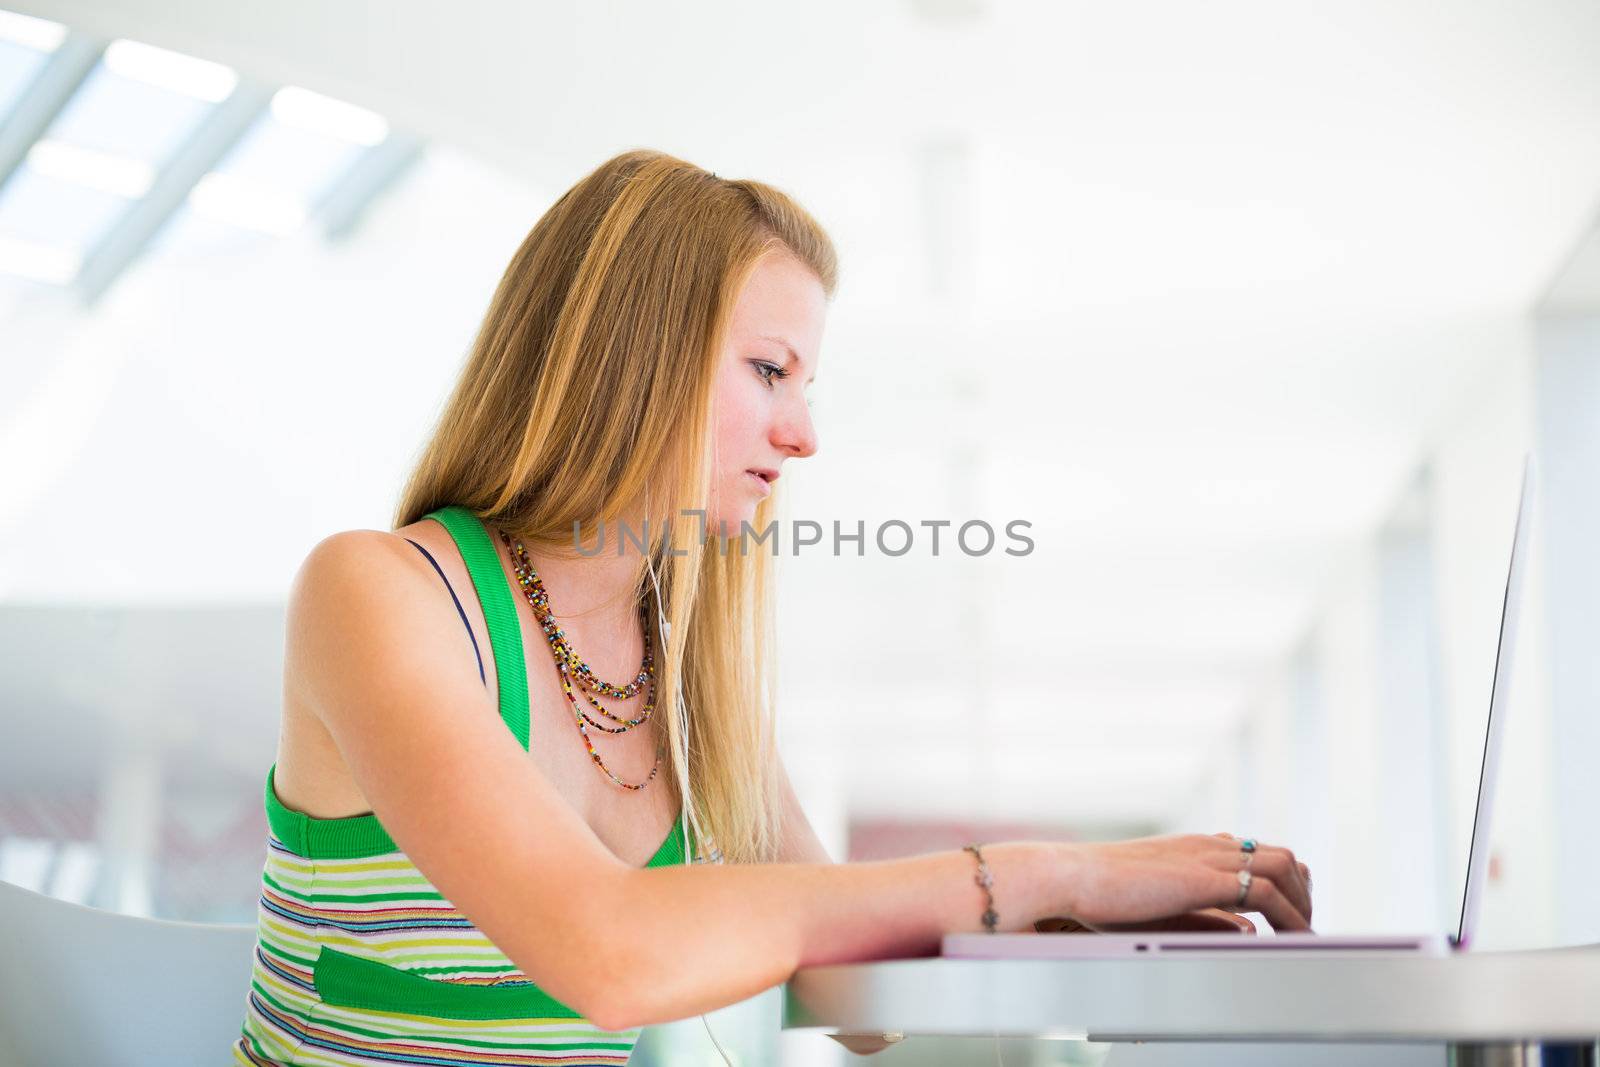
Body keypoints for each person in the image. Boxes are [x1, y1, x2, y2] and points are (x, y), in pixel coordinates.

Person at [233, 148, 1313, 1066]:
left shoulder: (682, 680)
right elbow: (610, 953)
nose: (803, 435)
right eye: (768, 369)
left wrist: (1093, 925)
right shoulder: (378, 592)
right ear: (631, 357)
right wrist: (1046, 868)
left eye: (807, 385)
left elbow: (852, 995)